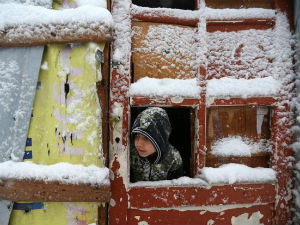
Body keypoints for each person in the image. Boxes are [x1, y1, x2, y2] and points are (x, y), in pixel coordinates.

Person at [130, 107, 183, 182]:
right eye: (137, 136)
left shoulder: (173, 158)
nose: (138, 143)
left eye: (146, 138)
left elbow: (176, 189)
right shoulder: (130, 154)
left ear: (160, 140)